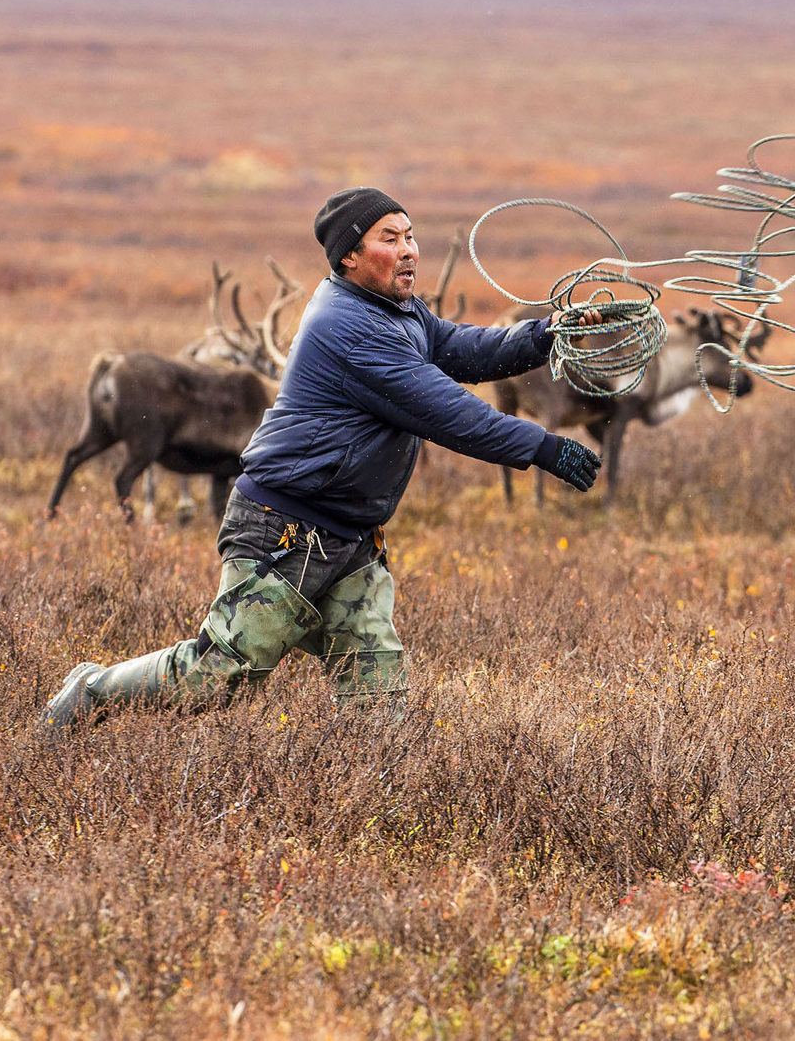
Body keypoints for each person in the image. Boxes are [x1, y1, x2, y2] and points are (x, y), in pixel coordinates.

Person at [42, 187, 603, 732]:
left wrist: (549, 332)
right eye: (391, 238)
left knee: (376, 692)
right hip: (285, 528)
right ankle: (90, 690)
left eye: (411, 236)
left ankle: (376, 809)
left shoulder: (398, 311)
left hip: (350, 535)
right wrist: (543, 447)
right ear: (350, 257)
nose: (409, 250)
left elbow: (465, 349)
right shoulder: (350, 327)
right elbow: (445, 411)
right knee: (214, 676)